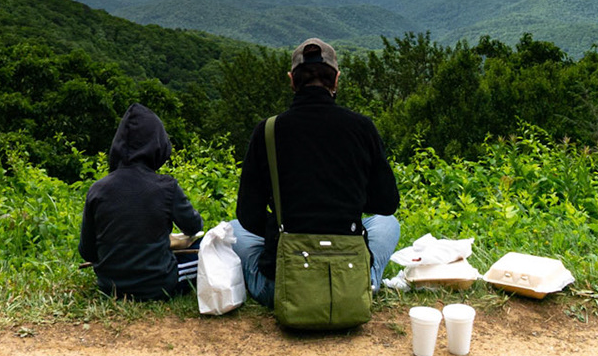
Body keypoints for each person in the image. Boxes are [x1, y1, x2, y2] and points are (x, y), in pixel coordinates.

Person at [231, 38, 400, 307]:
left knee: (234, 228)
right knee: (388, 223)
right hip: (348, 282)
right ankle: (367, 283)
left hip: (284, 287)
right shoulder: (362, 128)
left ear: (292, 80)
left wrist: (284, 226)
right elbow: (387, 203)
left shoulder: (268, 130)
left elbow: (248, 215)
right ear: (336, 80)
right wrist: (346, 201)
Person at [79, 102, 205, 300]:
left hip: (109, 286)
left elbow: (87, 251)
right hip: (159, 285)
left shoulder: (97, 189)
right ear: (158, 146)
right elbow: (194, 226)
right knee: (206, 247)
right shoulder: (167, 187)